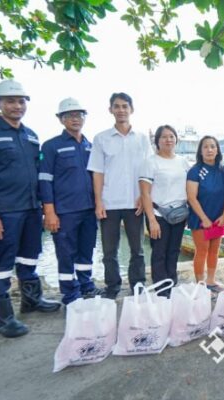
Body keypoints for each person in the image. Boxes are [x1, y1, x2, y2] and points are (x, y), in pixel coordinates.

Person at [0, 79, 60, 338]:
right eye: (10, 101)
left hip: (31, 209)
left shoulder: (30, 136)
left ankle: (30, 301)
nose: (16, 106)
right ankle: (2, 318)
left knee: (29, 257)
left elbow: (39, 174)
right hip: (4, 212)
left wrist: (44, 208)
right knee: (1, 263)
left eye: (21, 101)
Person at [39, 98, 104, 306]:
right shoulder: (51, 147)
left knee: (86, 251)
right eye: (70, 115)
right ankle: (70, 295)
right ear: (61, 119)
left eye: (79, 115)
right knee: (66, 254)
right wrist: (49, 211)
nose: (75, 119)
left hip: (88, 210)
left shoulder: (90, 146)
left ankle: (86, 287)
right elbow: (45, 180)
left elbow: (98, 177)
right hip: (65, 212)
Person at [87, 93, 152, 299]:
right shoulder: (101, 139)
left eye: (125, 106)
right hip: (109, 203)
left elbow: (148, 172)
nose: (121, 110)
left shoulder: (142, 139)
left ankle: (138, 285)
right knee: (109, 251)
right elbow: (97, 172)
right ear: (110, 110)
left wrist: (144, 196)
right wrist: (98, 201)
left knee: (137, 249)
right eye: (117, 106)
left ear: (131, 109)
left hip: (135, 202)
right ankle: (112, 287)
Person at [139, 125, 190, 297]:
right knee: (159, 251)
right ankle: (161, 288)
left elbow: (189, 188)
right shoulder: (150, 162)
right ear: (157, 141)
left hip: (179, 213)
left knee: (174, 249)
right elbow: (145, 193)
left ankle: (172, 281)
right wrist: (151, 220)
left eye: (171, 136)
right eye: (164, 137)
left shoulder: (183, 162)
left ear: (176, 139)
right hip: (159, 214)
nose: (168, 140)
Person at [186, 136, 224, 293]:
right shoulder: (195, 171)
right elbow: (191, 197)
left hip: (219, 217)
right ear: (200, 151)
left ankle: (211, 280)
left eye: (212, 146)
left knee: (214, 250)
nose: (209, 150)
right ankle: (200, 284)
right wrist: (204, 218)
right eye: (205, 147)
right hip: (200, 218)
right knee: (202, 250)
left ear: (217, 149)